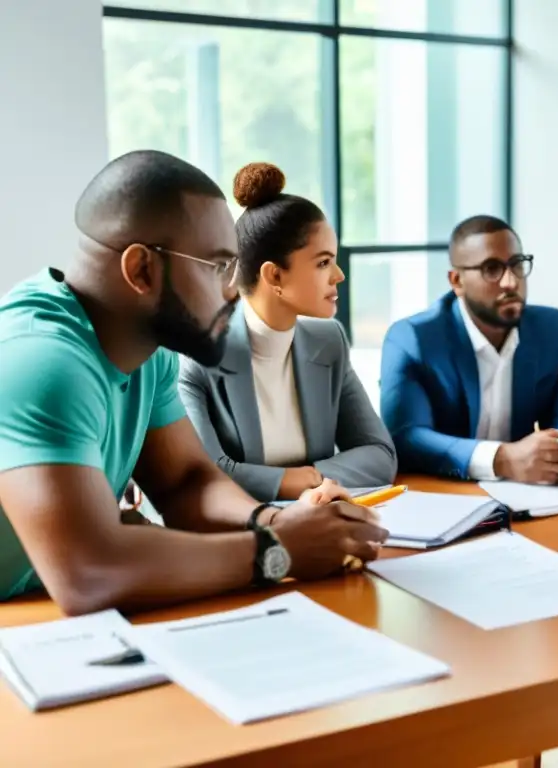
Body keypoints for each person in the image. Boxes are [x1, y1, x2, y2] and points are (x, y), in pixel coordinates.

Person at [0, 150, 388, 615]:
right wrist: (276, 549)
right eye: (219, 266)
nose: (233, 289)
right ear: (141, 269)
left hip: (33, 602)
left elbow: (188, 484)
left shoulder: (147, 350)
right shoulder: (43, 361)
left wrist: (278, 522)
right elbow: (88, 573)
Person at [178, 162, 397, 502]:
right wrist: (300, 482)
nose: (339, 274)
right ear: (275, 277)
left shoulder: (329, 341)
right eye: (324, 262)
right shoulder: (198, 355)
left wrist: (310, 479)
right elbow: (208, 473)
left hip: (320, 519)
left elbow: (380, 454)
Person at [379, 215, 558, 483]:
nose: (510, 282)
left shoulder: (550, 328)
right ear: (456, 281)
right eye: (491, 268)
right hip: (444, 495)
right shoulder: (414, 338)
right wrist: (502, 459)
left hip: (526, 496)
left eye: (517, 264)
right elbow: (406, 436)